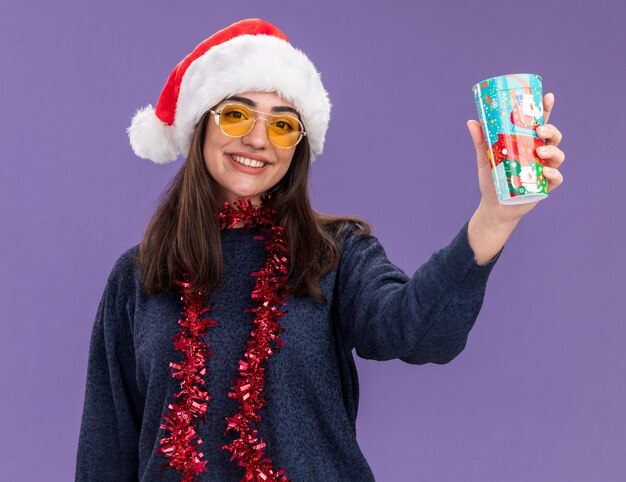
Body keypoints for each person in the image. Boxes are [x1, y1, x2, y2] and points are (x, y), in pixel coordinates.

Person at [75, 18, 565, 482]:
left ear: (298, 147)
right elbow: (106, 448)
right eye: (237, 114)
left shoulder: (336, 254)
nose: (257, 139)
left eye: (283, 125)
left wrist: (494, 217)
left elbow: (422, 333)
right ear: (201, 124)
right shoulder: (138, 275)